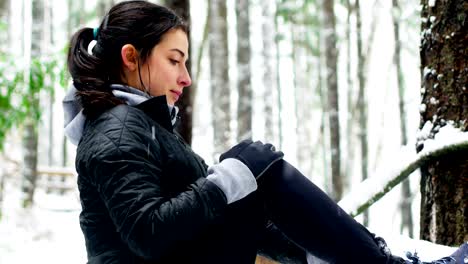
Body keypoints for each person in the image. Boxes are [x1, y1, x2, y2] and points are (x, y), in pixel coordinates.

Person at [63, 1, 467, 263]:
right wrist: (229, 179)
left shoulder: (140, 125)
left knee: (254, 175)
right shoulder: (115, 130)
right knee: (259, 172)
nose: (185, 77)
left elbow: (214, 219)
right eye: (174, 60)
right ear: (131, 57)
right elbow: (148, 233)